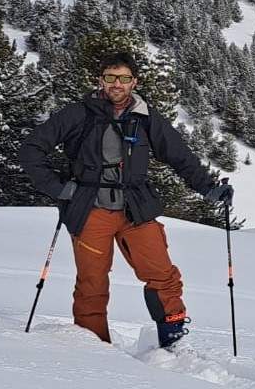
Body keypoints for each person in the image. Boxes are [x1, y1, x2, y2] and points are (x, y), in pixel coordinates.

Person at [18, 51, 233, 348]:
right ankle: (92, 348)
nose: (116, 84)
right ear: (100, 80)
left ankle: (174, 343)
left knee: (162, 274)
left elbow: (179, 156)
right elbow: (31, 149)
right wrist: (58, 188)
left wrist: (208, 188)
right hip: (90, 208)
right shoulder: (78, 113)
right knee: (92, 283)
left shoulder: (145, 117)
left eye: (123, 78)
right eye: (110, 77)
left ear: (135, 82)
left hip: (136, 206)